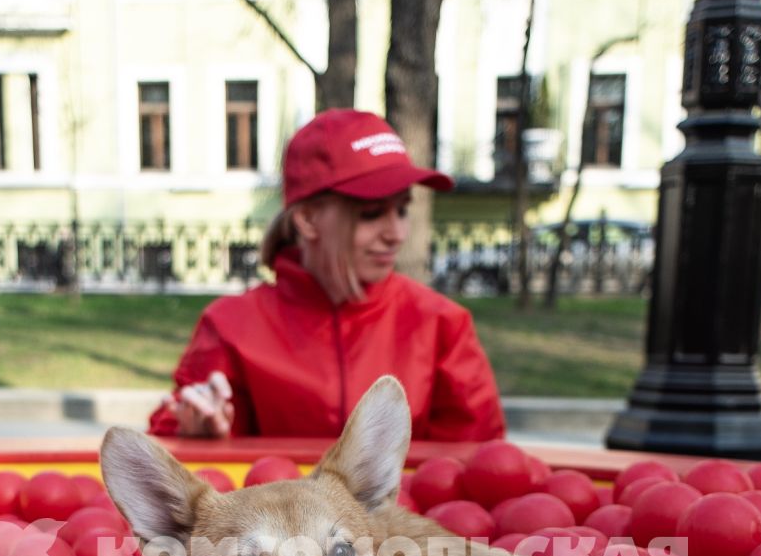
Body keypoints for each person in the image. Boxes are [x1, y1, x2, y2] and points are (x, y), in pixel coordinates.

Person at [149, 109, 505, 441]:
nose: (396, 233)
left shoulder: (441, 325)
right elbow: (175, 466)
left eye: (402, 209)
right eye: (371, 214)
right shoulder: (231, 328)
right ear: (307, 219)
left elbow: (476, 467)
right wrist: (193, 428)